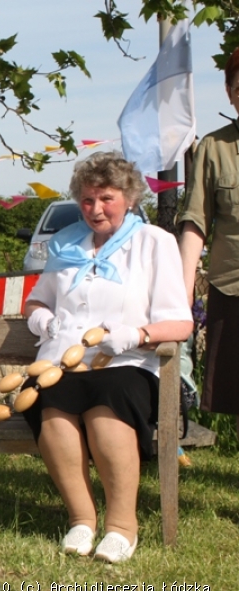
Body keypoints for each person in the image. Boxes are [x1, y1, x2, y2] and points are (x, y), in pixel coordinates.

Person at [23, 152, 192, 563]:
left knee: (107, 403)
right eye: (87, 199)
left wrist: (138, 334)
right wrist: (42, 319)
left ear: (129, 198)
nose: (95, 209)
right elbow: (36, 302)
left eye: (106, 198)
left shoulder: (154, 243)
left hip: (129, 363)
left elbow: (180, 323)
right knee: (51, 403)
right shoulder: (66, 243)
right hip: (63, 364)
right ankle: (82, 519)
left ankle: (121, 526)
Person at [178, 46, 239, 438]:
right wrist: (182, 294)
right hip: (232, 289)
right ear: (230, 93)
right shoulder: (213, 149)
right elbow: (195, 221)